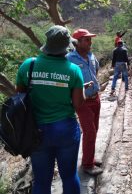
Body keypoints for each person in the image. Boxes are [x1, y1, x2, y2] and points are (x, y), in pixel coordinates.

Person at [16, 25, 85, 194]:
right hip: (65, 130)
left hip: (36, 131)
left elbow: (20, 97)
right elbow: (78, 104)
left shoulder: (28, 66)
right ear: (66, 47)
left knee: (41, 180)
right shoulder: (74, 70)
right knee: (69, 176)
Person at [66, 28, 103, 176]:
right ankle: (87, 165)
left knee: (95, 130)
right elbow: (68, 81)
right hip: (83, 101)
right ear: (78, 42)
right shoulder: (70, 59)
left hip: (96, 98)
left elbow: (96, 70)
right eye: (87, 40)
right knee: (90, 132)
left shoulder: (91, 56)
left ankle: (90, 158)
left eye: (90, 39)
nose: (90, 42)